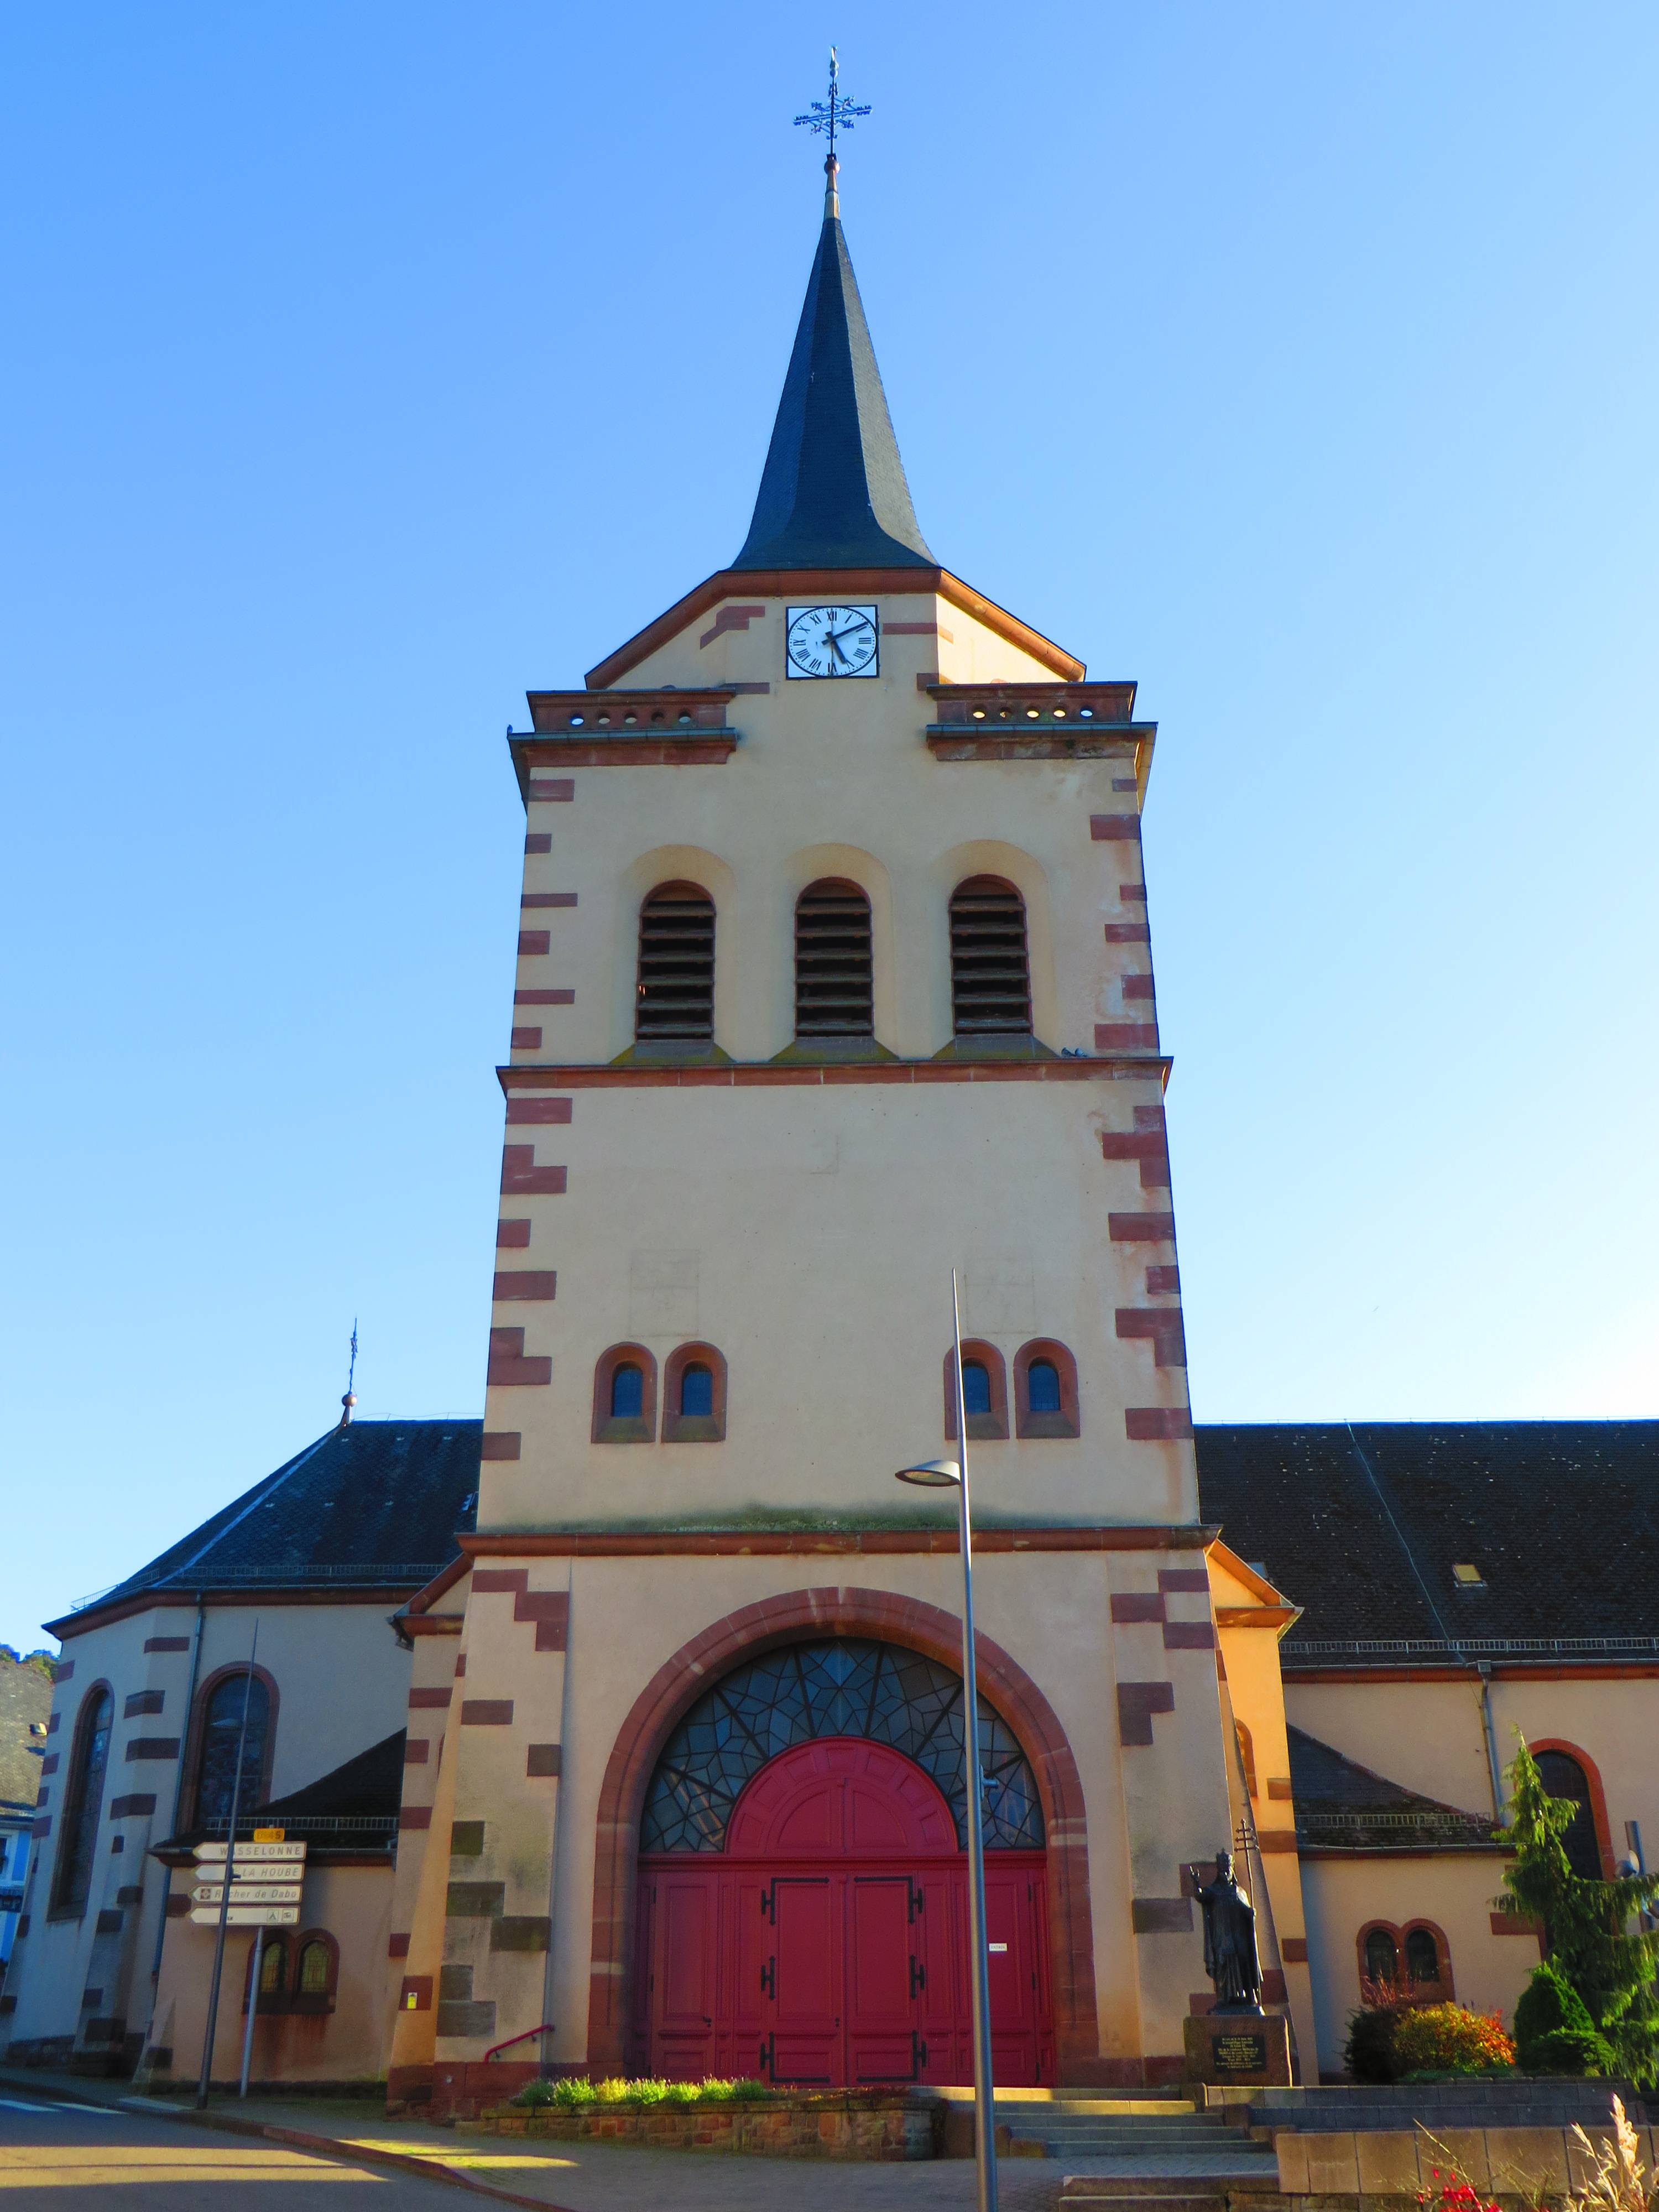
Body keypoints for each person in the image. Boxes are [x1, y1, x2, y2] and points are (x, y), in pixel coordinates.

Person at [1186, 1848, 1264, 2012]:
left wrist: (1251, 1914)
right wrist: (1196, 1884)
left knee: (1243, 1965)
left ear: (1232, 1870)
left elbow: (1247, 1911)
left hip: (1239, 1937)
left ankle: (1248, 1997)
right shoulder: (1214, 1891)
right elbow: (1201, 1896)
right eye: (1223, 1869)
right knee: (1223, 1967)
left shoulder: (1240, 1892)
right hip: (1222, 1937)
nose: (1226, 1872)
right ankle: (1223, 1999)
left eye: (1228, 1869)